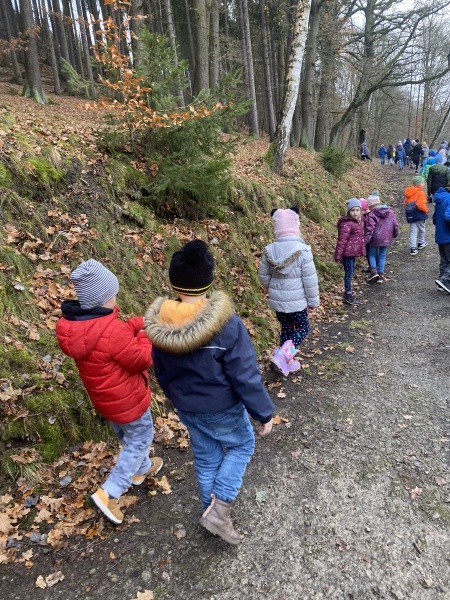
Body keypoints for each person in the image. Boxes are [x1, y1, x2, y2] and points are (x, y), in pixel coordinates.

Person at [145, 240, 274, 545]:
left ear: (174, 282)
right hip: (222, 407)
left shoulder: (161, 323)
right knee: (242, 446)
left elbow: (159, 369)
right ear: (209, 280)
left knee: (206, 458)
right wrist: (263, 412)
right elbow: (244, 374)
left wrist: (176, 398)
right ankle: (219, 509)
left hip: (187, 407)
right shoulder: (226, 325)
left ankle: (210, 511)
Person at [55, 260, 162, 525]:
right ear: (104, 299)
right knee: (140, 438)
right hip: (129, 401)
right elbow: (141, 360)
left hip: (106, 401)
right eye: (113, 294)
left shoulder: (81, 327)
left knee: (128, 437)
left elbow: (114, 335)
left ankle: (141, 469)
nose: (116, 299)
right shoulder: (111, 331)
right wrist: (147, 335)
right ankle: (110, 492)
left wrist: (139, 322)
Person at [258, 207, 320, 376]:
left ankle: (286, 360)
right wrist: (313, 302)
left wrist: (274, 288)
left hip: (278, 301)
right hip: (297, 302)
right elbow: (310, 280)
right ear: (296, 225)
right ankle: (284, 354)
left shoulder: (269, 250)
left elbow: (263, 276)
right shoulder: (303, 250)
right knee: (303, 328)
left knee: (286, 328)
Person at [334, 198, 366, 306]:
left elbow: (360, 238)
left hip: (353, 252)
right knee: (349, 273)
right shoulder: (346, 224)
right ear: (348, 211)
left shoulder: (360, 221)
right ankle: (348, 294)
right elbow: (341, 241)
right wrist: (338, 255)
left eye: (357, 210)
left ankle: (348, 292)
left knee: (351, 271)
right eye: (352, 210)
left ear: (360, 211)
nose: (355, 213)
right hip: (347, 253)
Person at [364, 192, 399, 283]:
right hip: (387, 237)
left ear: (371, 206)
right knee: (382, 255)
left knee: (372, 254)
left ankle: (374, 272)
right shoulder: (390, 212)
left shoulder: (371, 214)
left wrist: (366, 240)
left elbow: (370, 229)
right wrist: (395, 234)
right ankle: (380, 275)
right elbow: (395, 224)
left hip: (375, 238)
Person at [404, 175, 428, 256]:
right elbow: (420, 205)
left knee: (413, 231)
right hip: (419, 214)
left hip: (410, 213)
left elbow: (405, 203)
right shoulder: (421, 193)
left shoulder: (408, 192)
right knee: (422, 229)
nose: (423, 184)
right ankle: (421, 242)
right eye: (422, 182)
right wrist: (426, 210)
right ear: (419, 184)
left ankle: (413, 248)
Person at [433, 185, 450, 292]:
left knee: (444, 259)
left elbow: (434, 218)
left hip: (440, 234)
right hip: (448, 235)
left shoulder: (441, 197)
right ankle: (444, 280)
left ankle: (441, 283)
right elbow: (448, 216)